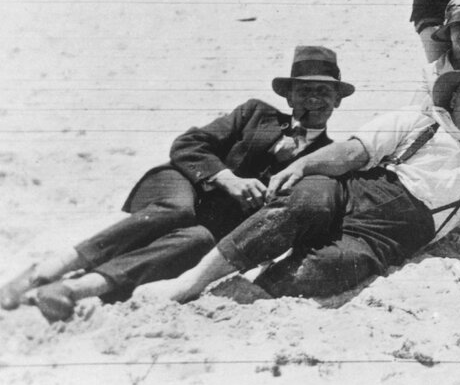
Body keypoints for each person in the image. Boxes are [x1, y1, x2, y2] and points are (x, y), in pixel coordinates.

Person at [0, 46, 354, 321]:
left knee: (196, 241)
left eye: (323, 92)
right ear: (289, 97)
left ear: (337, 101)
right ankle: (45, 272)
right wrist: (225, 177)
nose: (313, 100)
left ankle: (73, 289)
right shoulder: (255, 113)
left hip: (211, 225)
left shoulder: (328, 157)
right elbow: (188, 145)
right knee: (176, 209)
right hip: (181, 183)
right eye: (304, 91)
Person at [134, 63, 460, 302]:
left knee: (333, 266)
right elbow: (352, 154)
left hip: (388, 238)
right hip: (352, 191)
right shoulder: (416, 121)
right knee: (306, 201)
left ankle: (250, 292)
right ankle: (191, 281)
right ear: (453, 100)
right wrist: (304, 166)